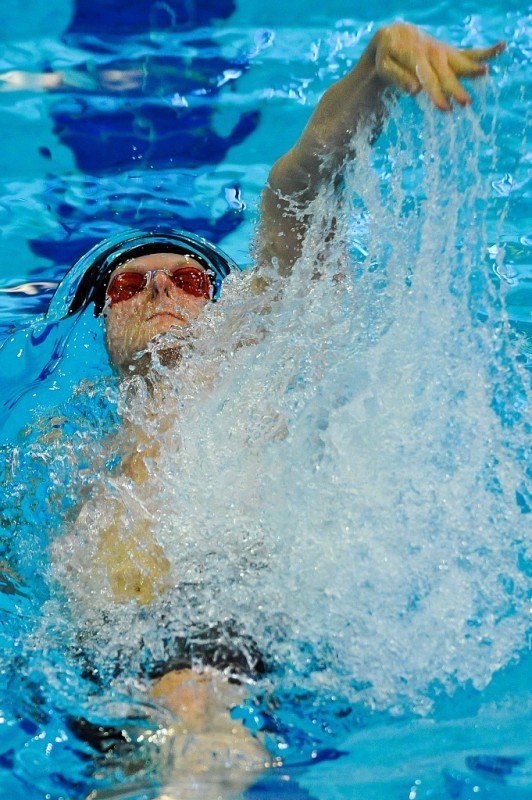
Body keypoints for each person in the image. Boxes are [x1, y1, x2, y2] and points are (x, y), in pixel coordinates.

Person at [50, 21, 503, 795]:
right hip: (95, 667)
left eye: (188, 280)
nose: (158, 290)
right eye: (129, 285)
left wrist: (375, 67)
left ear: (221, 307)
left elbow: (301, 188)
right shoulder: (63, 444)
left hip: (217, 635)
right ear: (101, 324)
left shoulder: (250, 375)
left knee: (194, 732)